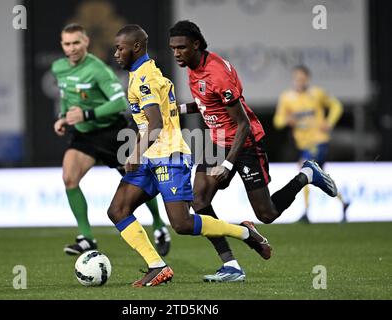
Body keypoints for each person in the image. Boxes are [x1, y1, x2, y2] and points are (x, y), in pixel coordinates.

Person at [169, 20, 338, 282]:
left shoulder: (217, 73)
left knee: (267, 213)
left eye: (181, 47)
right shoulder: (193, 67)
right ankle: (231, 265)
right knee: (200, 201)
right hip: (216, 142)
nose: (177, 53)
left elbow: (243, 124)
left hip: (245, 143)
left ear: (196, 45)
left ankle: (307, 174)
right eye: (173, 48)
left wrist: (227, 165)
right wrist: (178, 110)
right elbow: (206, 103)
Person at [110, 24, 272, 287]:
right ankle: (157, 266)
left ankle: (244, 233)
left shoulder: (145, 79)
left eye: (120, 48)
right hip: (151, 154)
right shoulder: (140, 73)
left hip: (168, 156)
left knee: (183, 224)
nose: (116, 53)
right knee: (118, 210)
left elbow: (155, 124)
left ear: (136, 47)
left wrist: (135, 154)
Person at [51, 23, 171, 256]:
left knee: (135, 182)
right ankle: (86, 238)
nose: (72, 48)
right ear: (62, 45)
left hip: (111, 134)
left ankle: (158, 224)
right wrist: (62, 117)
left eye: (76, 42)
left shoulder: (98, 70)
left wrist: (87, 114)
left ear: (86, 42)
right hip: (84, 135)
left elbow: (119, 104)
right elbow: (65, 96)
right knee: (69, 177)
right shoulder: (59, 68)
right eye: (67, 43)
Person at [274, 65, 350, 223]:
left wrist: (329, 122)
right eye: (297, 79)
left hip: (318, 141)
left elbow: (337, 106)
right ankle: (343, 202)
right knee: (318, 177)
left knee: (306, 168)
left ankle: (306, 212)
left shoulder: (317, 93)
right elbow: (277, 121)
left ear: (307, 79)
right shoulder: (287, 97)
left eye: (302, 79)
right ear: (293, 80)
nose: (299, 82)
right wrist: (287, 120)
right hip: (303, 144)